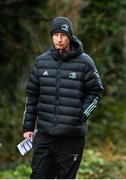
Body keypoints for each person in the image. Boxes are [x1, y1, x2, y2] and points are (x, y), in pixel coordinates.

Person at [22, 16, 104, 179]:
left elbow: (96, 92)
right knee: (38, 176)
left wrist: (81, 115)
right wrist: (28, 128)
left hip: (71, 137)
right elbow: (32, 96)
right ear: (51, 36)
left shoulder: (85, 63)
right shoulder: (41, 62)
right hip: (44, 134)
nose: (59, 39)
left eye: (63, 35)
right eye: (56, 35)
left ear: (70, 37)